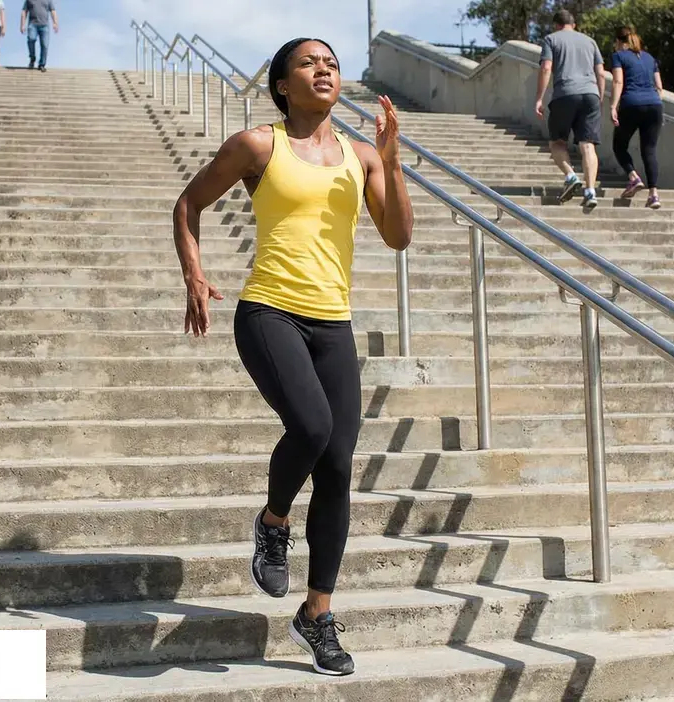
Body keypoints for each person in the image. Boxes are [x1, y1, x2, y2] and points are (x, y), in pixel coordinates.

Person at [172, 38, 413, 677]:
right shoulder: (259, 145)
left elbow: (399, 236)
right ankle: (273, 521)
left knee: (336, 467)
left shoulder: (362, 156)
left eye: (330, 63)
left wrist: (390, 161)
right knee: (311, 427)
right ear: (283, 84)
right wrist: (195, 276)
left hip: (333, 324)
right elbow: (188, 204)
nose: (324, 69)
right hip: (268, 312)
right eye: (309, 63)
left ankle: (317, 614)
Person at [534, 9, 605, 210]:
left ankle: (571, 175)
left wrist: (539, 98)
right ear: (574, 24)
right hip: (591, 94)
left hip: (565, 94)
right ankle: (590, 191)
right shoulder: (590, 41)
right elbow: (600, 72)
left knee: (557, 142)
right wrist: (598, 96)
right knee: (588, 145)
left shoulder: (551, 39)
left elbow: (546, 67)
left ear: (556, 25)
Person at [610, 25, 665, 209]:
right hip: (654, 105)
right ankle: (654, 195)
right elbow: (659, 87)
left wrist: (613, 106)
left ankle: (633, 177)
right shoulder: (650, 58)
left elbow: (618, 81)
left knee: (619, 145)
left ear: (618, 41)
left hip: (631, 103)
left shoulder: (618, 56)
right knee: (649, 150)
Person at [20, 0, 58, 72]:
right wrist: (22, 25)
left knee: (45, 45)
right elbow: (24, 11)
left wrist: (55, 23)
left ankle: (41, 64)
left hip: (44, 26)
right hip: (32, 25)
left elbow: (53, 11)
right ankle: (32, 58)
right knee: (31, 38)